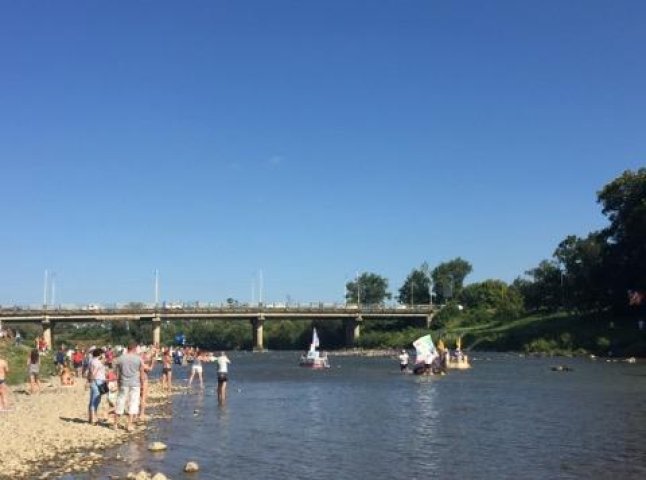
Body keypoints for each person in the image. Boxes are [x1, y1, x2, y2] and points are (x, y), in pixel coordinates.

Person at [114, 340, 145, 432]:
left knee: (120, 402)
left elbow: (116, 371)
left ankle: (115, 424)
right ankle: (129, 425)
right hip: (135, 383)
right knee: (133, 403)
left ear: (127, 348)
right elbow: (142, 373)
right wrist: (142, 384)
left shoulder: (121, 358)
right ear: (135, 348)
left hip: (124, 382)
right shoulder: (139, 359)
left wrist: (118, 381)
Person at [87, 348, 107, 425]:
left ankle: (92, 417)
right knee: (96, 400)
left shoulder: (91, 361)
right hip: (98, 381)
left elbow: (90, 372)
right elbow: (94, 372)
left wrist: (89, 381)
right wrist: (90, 381)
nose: (103, 355)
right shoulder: (97, 362)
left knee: (93, 400)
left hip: (96, 381)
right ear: (100, 354)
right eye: (102, 354)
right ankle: (93, 419)